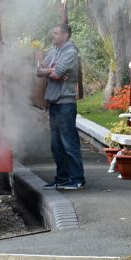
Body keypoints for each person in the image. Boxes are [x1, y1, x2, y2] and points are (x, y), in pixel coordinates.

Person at [36, 23, 85, 190]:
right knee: (56, 145)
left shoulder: (70, 52)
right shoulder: (54, 51)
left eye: (56, 33)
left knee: (69, 143)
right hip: (54, 104)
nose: (53, 36)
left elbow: (56, 75)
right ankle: (62, 178)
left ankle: (77, 179)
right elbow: (39, 71)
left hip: (65, 104)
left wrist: (52, 71)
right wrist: (51, 70)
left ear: (65, 35)